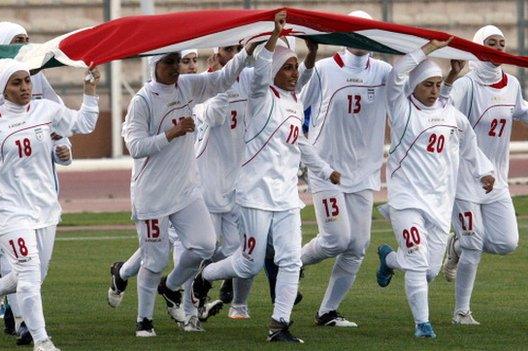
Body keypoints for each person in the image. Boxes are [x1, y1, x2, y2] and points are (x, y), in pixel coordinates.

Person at [192, 12, 339, 343]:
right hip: (255, 194)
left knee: (289, 260)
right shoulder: (260, 97)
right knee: (248, 264)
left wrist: (326, 171)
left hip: (286, 197)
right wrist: (273, 34)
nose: (293, 73)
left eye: (295, 67)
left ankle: (280, 324)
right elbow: (259, 70)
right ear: (273, 69)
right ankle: (206, 276)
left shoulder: (292, 102)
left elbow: (301, 143)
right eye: (287, 67)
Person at [0, 58, 101, 351]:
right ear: (4, 88)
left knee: (35, 276)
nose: (25, 87)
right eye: (17, 83)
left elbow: (85, 123)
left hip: (45, 208)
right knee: (28, 277)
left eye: (27, 81)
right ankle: (42, 340)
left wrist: (89, 90)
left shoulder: (46, 110)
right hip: (10, 209)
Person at [121, 28, 251, 335]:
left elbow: (220, 80)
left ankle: (172, 286)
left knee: (205, 245)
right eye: (169, 62)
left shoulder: (187, 85)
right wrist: (172, 133)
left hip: (186, 190)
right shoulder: (142, 100)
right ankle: (144, 320)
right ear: (154, 64)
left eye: (177, 61)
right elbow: (135, 146)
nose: (176, 67)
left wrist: (248, 52)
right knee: (154, 259)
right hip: (152, 193)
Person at [375, 37, 495, 338]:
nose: (434, 90)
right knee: (417, 261)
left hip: (441, 204)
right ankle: (422, 324)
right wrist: (427, 49)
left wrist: (484, 172)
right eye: (428, 84)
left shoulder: (453, 116)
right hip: (406, 201)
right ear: (414, 85)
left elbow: (469, 147)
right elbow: (397, 74)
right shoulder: (401, 110)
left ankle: (389, 259)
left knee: (427, 271)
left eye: (439, 84)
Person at [298, 10, 393, 327]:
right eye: (352, 32)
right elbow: (295, 101)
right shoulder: (324, 69)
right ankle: (292, 262)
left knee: (357, 246)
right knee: (337, 239)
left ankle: (327, 311)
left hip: (364, 174)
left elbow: (409, 95)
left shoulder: (383, 71)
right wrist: (308, 61)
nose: (358, 38)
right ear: (342, 36)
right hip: (327, 170)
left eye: (364, 32)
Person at [441, 25, 527, 325]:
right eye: (491, 43)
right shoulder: (467, 85)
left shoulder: (513, 84)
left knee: (507, 243)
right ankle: (461, 312)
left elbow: (520, 111)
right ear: (477, 46)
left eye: (502, 43)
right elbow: (442, 109)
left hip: (496, 179)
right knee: (475, 243)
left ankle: (456, 244)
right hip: (465, 177)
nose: (498, 48)